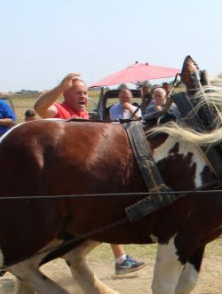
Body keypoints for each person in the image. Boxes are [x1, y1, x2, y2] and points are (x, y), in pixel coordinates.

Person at [34, 73, 147, 276]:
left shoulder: (85, 115)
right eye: (78, 93)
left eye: (85, 93)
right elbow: (39, 108)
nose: (84, 97)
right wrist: (60, 86)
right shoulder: (60, 110)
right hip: (66, 181)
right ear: (66, 94)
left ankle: (113, 259)